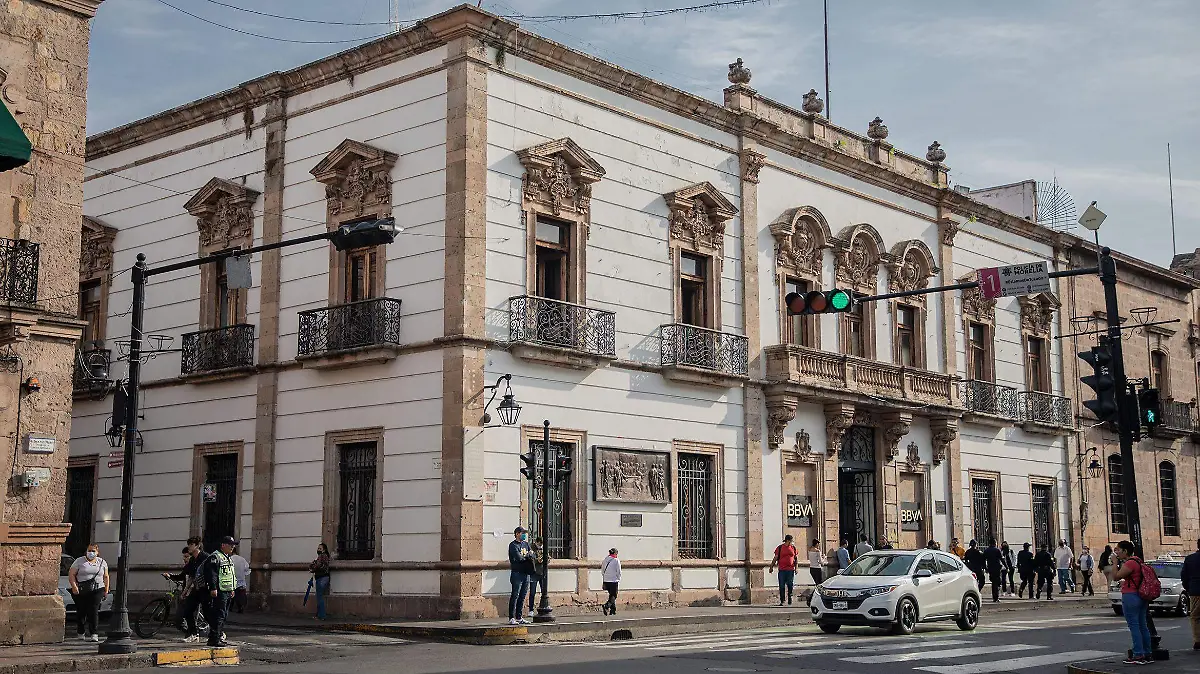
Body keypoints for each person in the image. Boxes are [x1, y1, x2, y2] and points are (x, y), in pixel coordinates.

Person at [1113, 540, 1152, 664]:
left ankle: (1138, 654)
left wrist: (1115, 563)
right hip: (1141, 596)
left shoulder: (1130, 563)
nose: (1117, 552)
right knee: (1142, 625)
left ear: (1125, 551)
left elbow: (1116, 576)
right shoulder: (1139, 561)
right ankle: (1147, 653)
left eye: (1118, 550)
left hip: (1131, 596)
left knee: (1134, 625)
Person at [68, 544, 109, 642]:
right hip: (82, 589)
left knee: (93, 610)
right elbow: (71, 574)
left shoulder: (102, 562)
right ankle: (81, 631)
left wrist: (106, 590)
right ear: (86, 551)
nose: (91, 553)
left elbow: (106, 576)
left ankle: (94, 633)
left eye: (93, 551)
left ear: (97, 552)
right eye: (89, 550)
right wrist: (74, 586)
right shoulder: (79, 561)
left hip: (98, 589)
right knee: (82, 611)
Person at [203, 536, 237, 647]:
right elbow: (212, 574)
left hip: (227, 590)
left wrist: (232, 589)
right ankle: (214, 639)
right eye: (230, 544)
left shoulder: (227, 557)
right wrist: (213, 588)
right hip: (220, 591)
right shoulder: (215, 557)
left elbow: (230, 574)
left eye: (233, 544)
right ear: (223, 545)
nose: (233, 546)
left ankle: (217, 637)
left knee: (224, 615)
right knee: (219, 615)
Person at [179, 536, 210, 642]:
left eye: (191, 545)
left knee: (207, 614)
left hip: (205, 589)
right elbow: (191, 576)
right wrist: (185, 591)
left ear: (197, 545)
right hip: (196, 589)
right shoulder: (192, 559)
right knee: (188, 611)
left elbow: (212, 573)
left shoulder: (205, 557)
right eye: (189, 545)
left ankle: (219, 632)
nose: (189, 547)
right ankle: (194, 634)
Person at [507, 526, 534, 625]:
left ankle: (519, 617)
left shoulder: (526, 544)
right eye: (522, 533)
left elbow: (533, 555)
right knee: (515, 595)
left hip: (526, 574)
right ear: (517, 534)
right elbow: (519, 558)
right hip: (517, 573)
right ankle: (511, 617)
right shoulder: (513, 545)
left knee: (522, 596)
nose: (524, 535)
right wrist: (528, 556)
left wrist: (528, 556)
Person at [1180, 537, 1199, 651]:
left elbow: (1184, 576)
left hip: (1195, 590)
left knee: (1195, 616)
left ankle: (1198, 640)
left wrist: (1188, 588)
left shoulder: (1190, 559)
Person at [768, 535, 799, 605]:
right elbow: (775, 558)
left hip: (790, 569)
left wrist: (796, 568)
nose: (792, 542)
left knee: (790, 584)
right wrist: (771, 567)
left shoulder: (793, 548)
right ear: (788, 541)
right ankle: (782, 600)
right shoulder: (780, 548)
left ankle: (790, 597)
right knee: (781, 585)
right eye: (791, 541)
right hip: (782, 569)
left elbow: (796, 559)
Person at [309, 542, 331, 620]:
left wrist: (313, 566)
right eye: (318, 548)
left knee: (319, 597)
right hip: (322, 578)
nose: (318, 549)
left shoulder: (322, 555)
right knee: (319, 597)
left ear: (324, 550)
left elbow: (318, 566)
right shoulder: (322, 556)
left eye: (320, 548)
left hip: (322, 578)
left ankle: (322, 616)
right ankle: (319, 615)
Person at [528, 537, 546, 616]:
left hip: (542, 572)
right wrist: (536, 560)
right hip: (534, 573)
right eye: (540, 544)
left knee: (544, 592)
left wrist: (546, 559)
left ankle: (543, 607)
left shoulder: (544, 548)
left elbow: (547, 557)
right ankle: (531, 610)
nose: (541, 546)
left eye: (542, 544)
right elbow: (530, 558)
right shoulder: (531, 547)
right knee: (532, 592)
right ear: (536, 542)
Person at [601, 548, 621, 615]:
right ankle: (606, 606)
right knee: (614, 595)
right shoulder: (616, 560)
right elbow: (619, 571)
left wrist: (605, 577)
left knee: (611, 595)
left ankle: (613, 610)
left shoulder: (605, 560)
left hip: (606, 580)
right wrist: (618, 578)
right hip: (614, 580)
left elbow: (602, 570)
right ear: (615, 553)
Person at [230, 545, 250, 613]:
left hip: (232, 581)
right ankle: (241, 608)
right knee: (241, 596)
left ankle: (230, 608)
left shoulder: (229, 559)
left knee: (231, 596)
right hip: (241, 581)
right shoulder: (242, 559)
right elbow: (247, 569)